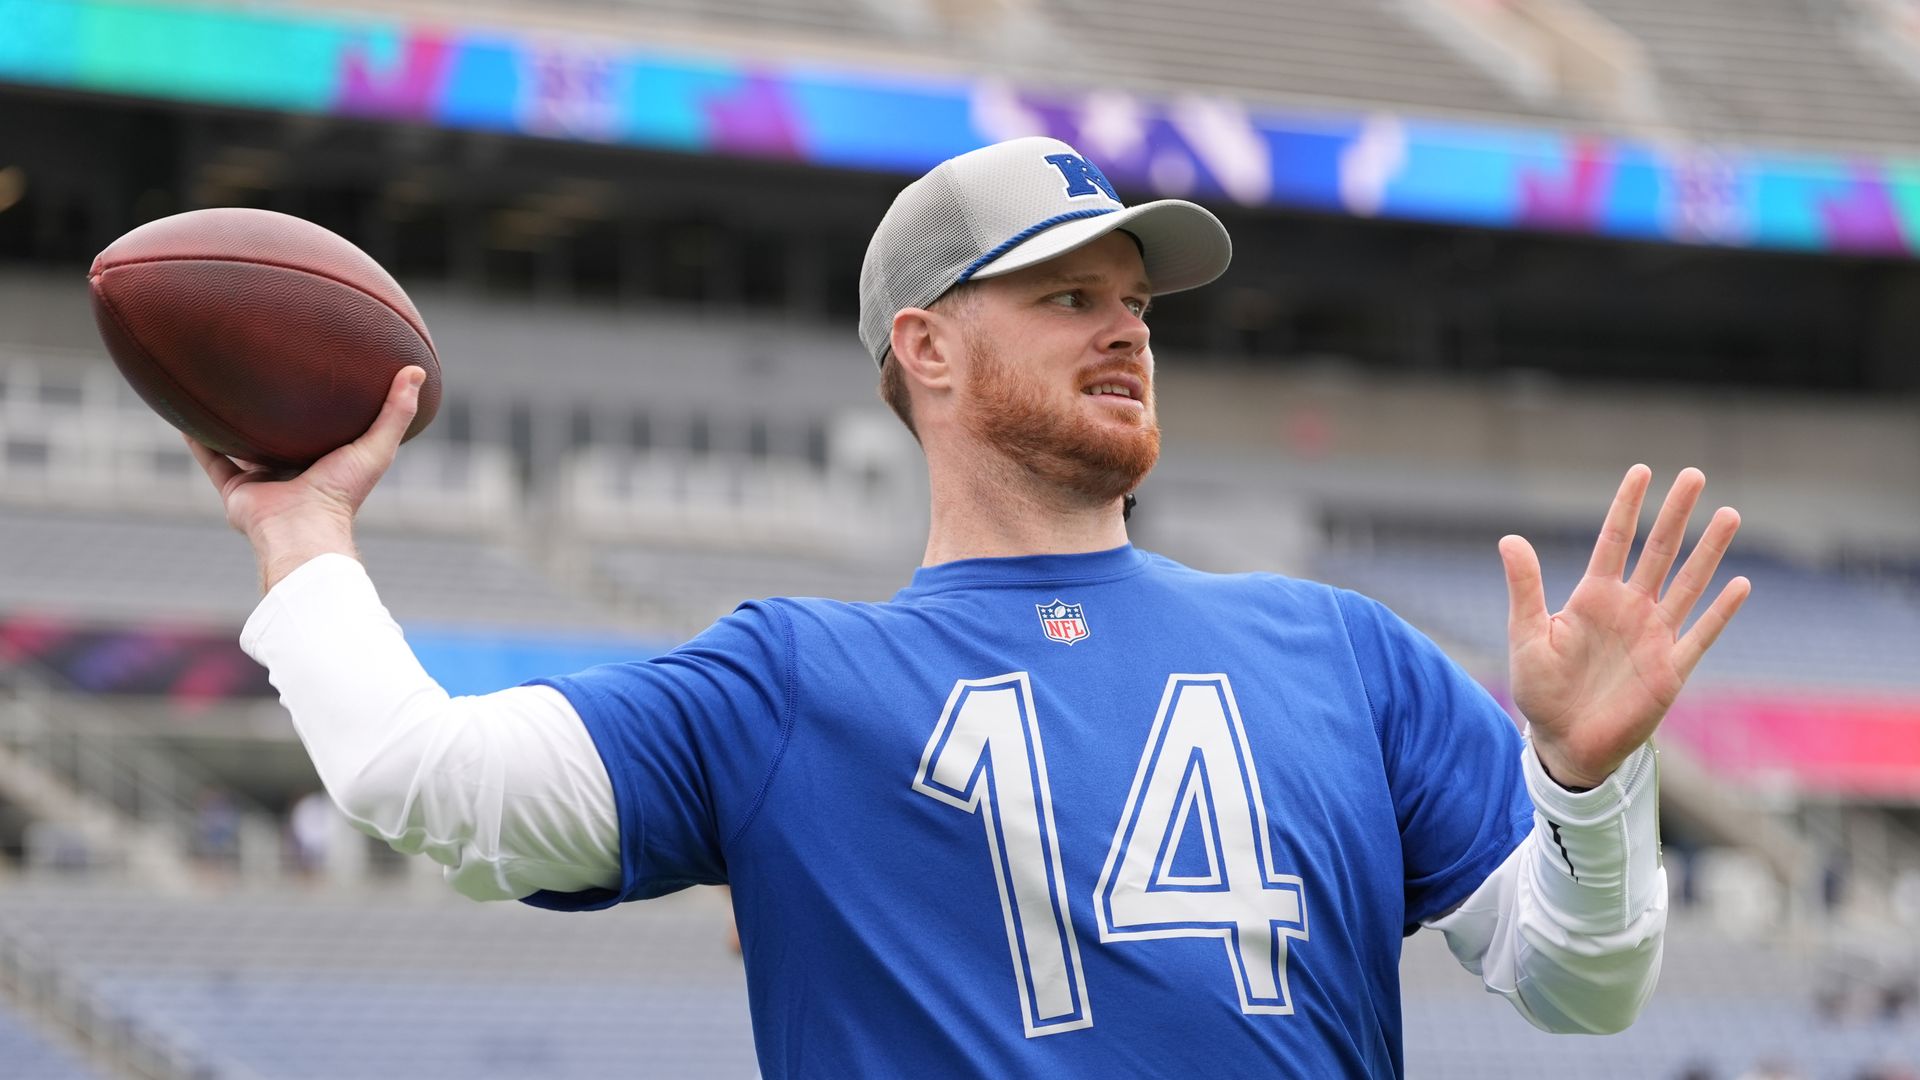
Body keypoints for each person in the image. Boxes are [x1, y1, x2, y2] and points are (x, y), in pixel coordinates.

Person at [188, 137, 1750, 1077]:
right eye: (1068, 296)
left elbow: (1583, 988)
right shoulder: (787, 687)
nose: (1125, 331)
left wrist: (1588, 790)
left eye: (1135, 301)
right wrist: (304, 524)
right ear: (925, 351)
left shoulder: (1342, 651)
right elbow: (422, 780)